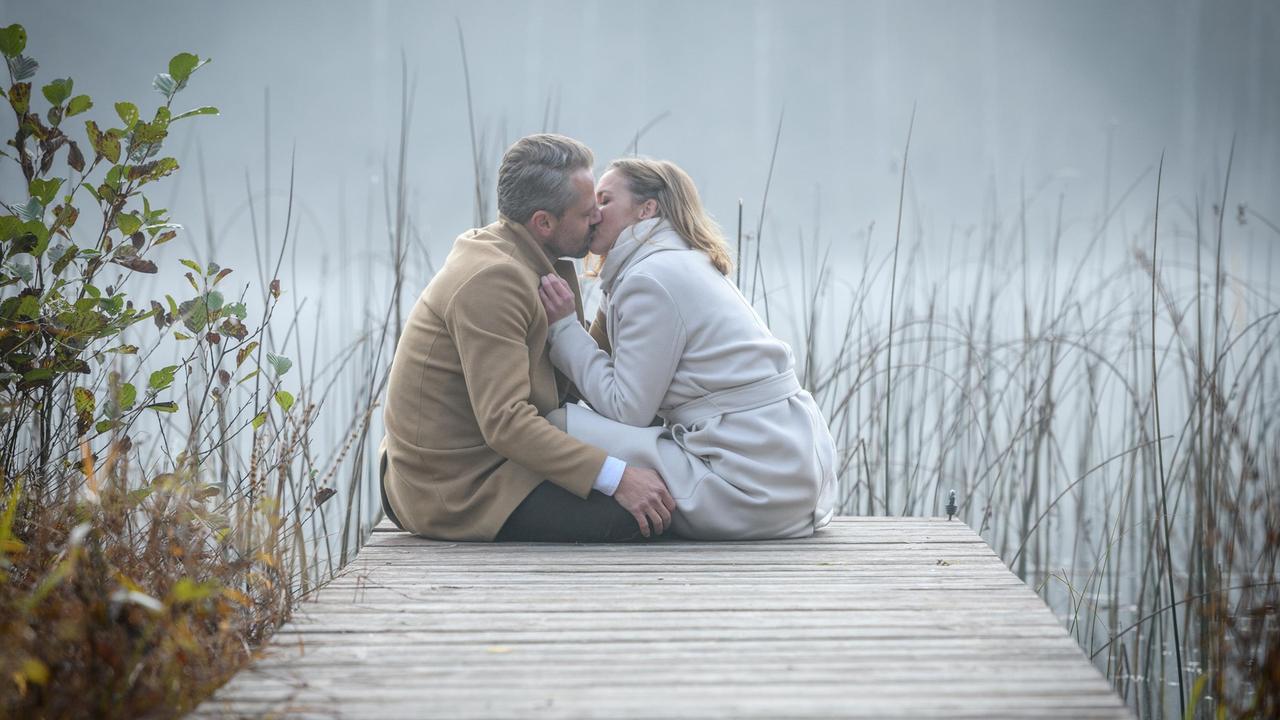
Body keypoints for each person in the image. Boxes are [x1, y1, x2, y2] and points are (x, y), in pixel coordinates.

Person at [379, 134, 676, 542]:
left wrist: (619, 285)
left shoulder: (530, 259)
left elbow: (568, 385)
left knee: (659, 492)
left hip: (495, 460)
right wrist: (617, 477)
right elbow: (505, 421)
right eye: (588, 212)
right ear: (544, 222)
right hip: (457, 486)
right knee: (640, 516)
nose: (597, 219)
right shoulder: (493, 281)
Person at [537, 158, 836, 540]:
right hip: (787, 470)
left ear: (647, 210)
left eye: (606, 200)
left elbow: (628, 410)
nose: (594, 212)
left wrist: (563, 328)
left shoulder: (650, 279)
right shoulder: (680, 260)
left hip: (746, 484)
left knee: (559, 427)